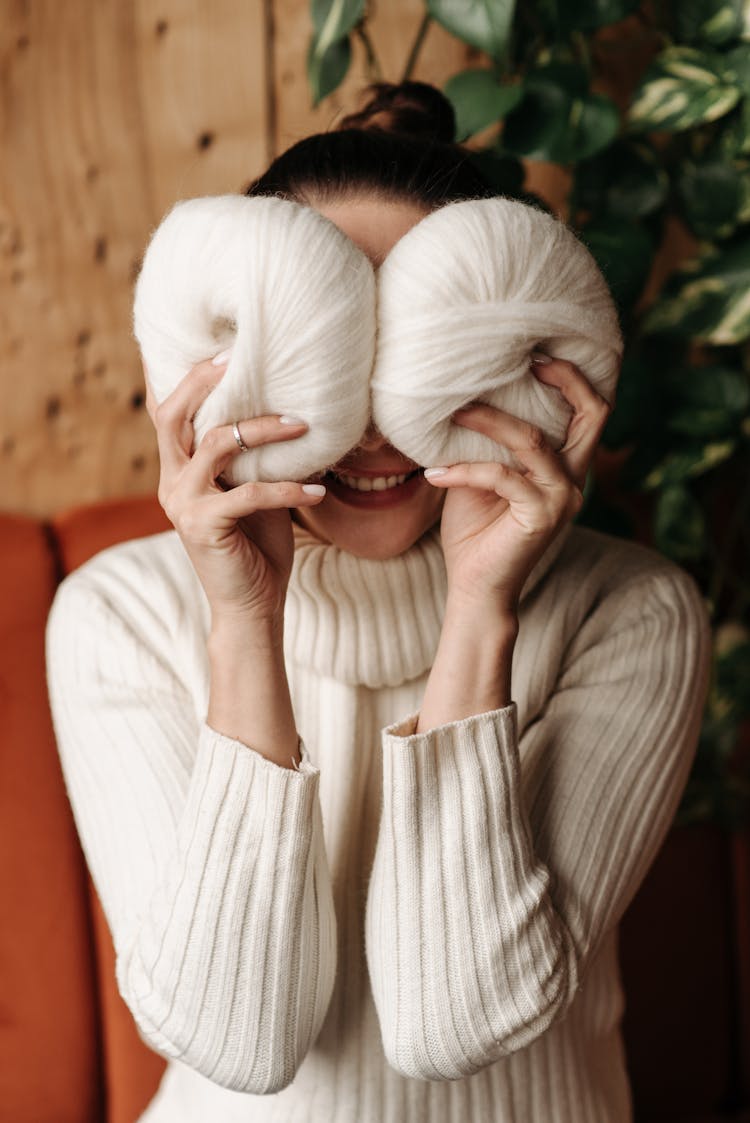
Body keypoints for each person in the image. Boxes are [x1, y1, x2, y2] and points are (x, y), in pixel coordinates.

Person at [46, 82, 711, 1122]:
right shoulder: (119, 613)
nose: (371, 430)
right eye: (326, 346)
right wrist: (244, 621)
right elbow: (239, 1040)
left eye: (415, 352)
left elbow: (454, 1021)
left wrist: (482, 607)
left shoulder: (629, 612)